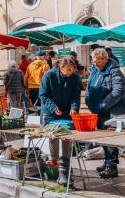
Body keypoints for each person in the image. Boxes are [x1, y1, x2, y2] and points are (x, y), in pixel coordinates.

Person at [85, 48, 125, 178]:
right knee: (103, 139)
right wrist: (88, 101)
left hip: (111, 111)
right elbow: (89, 87)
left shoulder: (114, 71)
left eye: (97, 61)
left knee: (110, 140)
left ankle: (112, 167)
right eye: (93, 61)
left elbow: (118, 91)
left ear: (105, 59)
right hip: (98, 111)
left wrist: (103, 105)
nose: (95, 63)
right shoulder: (94, 70)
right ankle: (107, 162)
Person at [39, 57, 82, 186]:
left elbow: (76, 94)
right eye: (68, 69)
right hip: (50, 113)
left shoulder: (74, 77)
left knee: (67, 138)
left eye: (72, 69)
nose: (70, 72)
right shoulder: (49, 75)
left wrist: (74, 108)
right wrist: (53, 107)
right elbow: (43, 95)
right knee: (54, 138)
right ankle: (55, 165)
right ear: (60, 68)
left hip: (67, 112)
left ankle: (66, 165)